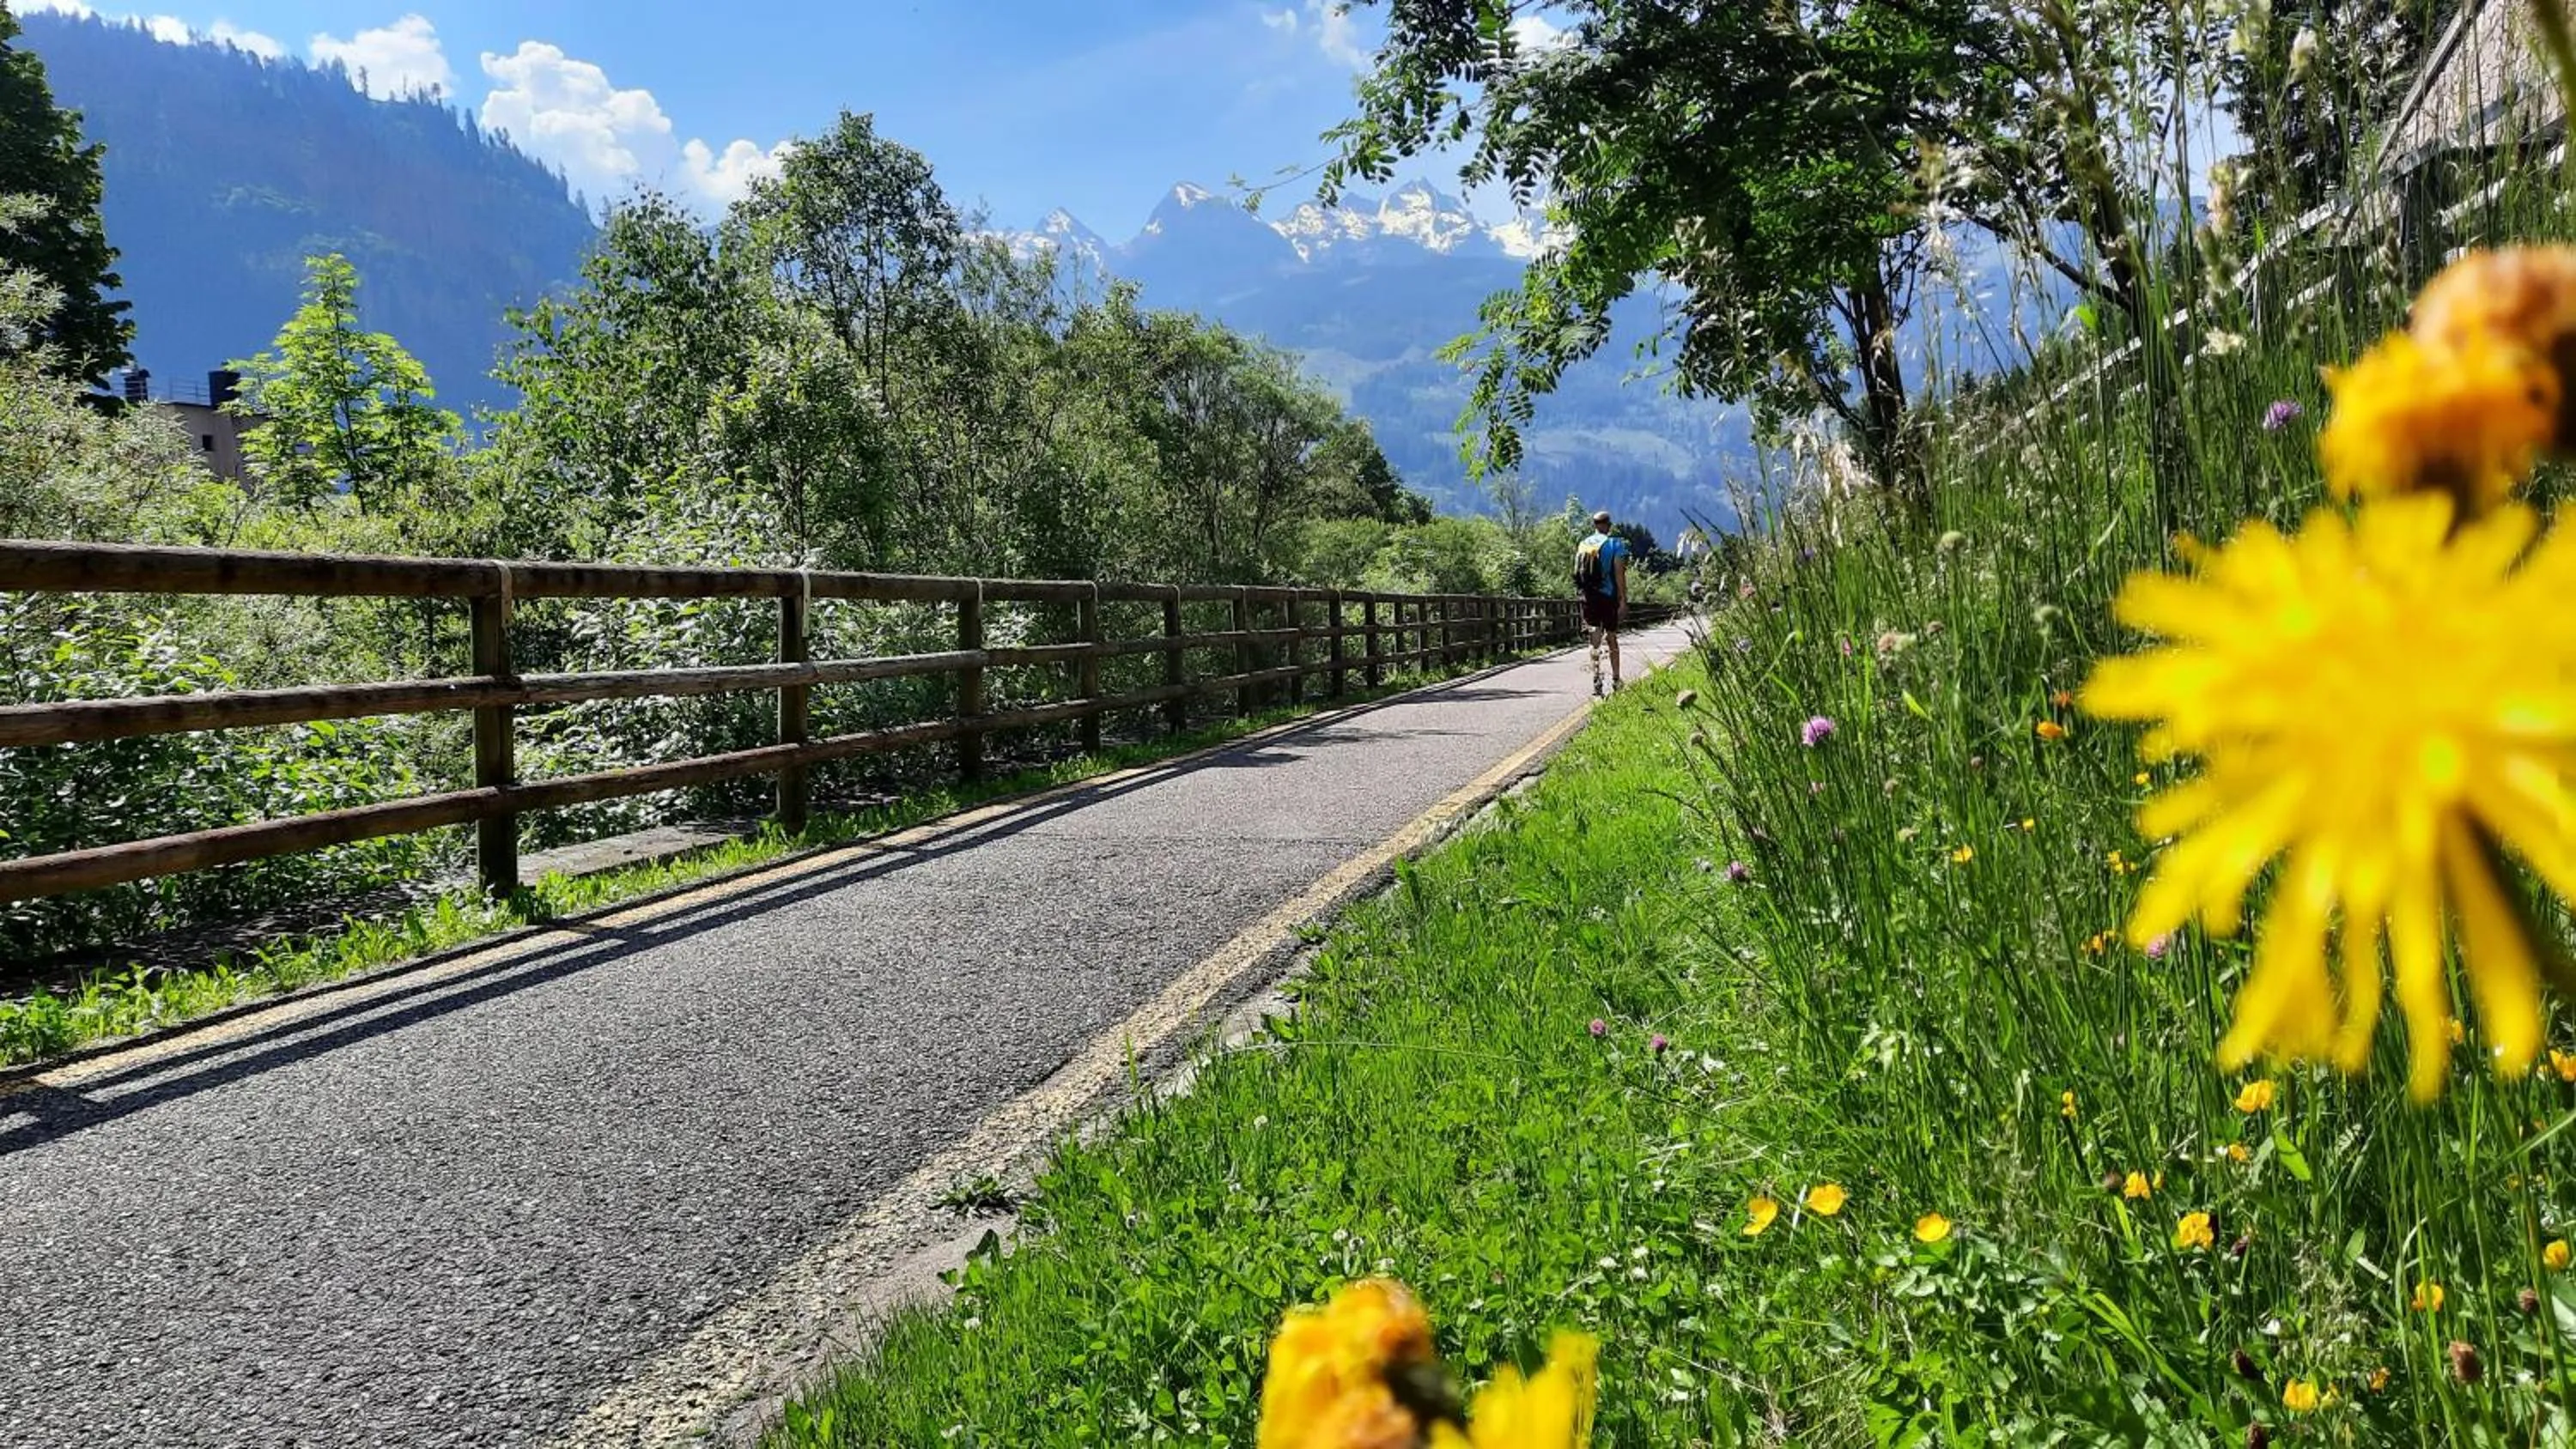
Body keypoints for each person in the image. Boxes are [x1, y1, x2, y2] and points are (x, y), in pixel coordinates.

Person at [1572, 509, 1631, 696]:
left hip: (1588, 597)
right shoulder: (1615, 544)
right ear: (1609, 525)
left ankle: (1596, 679)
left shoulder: (1583, 544)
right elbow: (1619, 574)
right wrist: (1623, 600)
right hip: (1608, 596)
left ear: (1594, 525)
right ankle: (1615, 679)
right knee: (1611, 637)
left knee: (1594, 639)